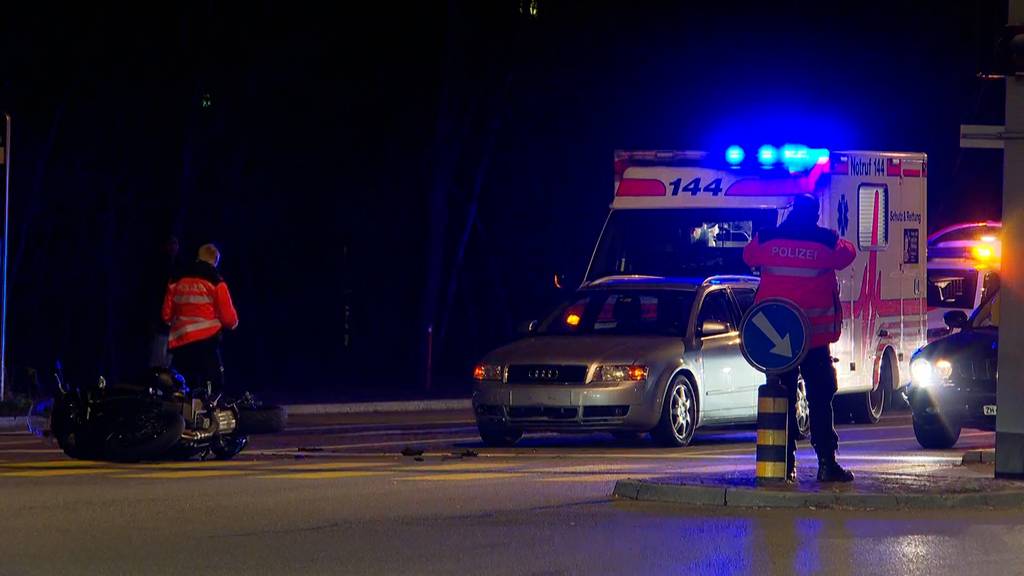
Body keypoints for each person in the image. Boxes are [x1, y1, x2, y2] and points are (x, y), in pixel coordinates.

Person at [743, 194, 856, 483]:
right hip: (815, 340)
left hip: (776, 342)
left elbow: (748, 256)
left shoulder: (767, 238)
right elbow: (849, 253)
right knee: (820, 399)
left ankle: (783, 464)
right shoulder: (826, 242)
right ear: (815, 214)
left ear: (791, 211)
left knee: (782, 400)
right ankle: (827, 464)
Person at [162, 243, 239, 394]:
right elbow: (229, 319)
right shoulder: (216, 280)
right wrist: (233, 324)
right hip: (206, 342)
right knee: (213, 386)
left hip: (180, 342)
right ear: (215, 260)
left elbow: (166, 315)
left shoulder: (176, 278)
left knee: (183, 386)